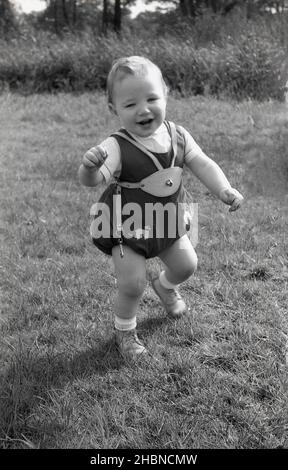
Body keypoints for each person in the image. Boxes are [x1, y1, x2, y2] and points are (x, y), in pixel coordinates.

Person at [78, 56, 244, 360]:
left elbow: (203, 163)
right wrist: (90, 168)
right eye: (130, 105)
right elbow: (93, 181)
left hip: (168, 220)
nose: (143, 109)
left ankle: (165, 286)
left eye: (152, 98)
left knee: (186, 265)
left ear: (165, 94)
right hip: (127, 224)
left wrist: (224, 188)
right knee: (132, 284)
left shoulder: (178, 136)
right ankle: (125, 331)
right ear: (114, 109)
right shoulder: (116, 145)